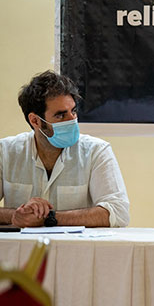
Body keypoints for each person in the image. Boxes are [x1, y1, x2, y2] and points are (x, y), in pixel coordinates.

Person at [0, 71, 130, 228]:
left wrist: (50, 218)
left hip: (77, 251)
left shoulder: (96, 151)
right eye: (61, 116)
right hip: (19, 252)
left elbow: (118, 212)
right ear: (35, 120)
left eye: (73, 111)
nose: (72, 120)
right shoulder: (6, 152)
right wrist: (15, 215)